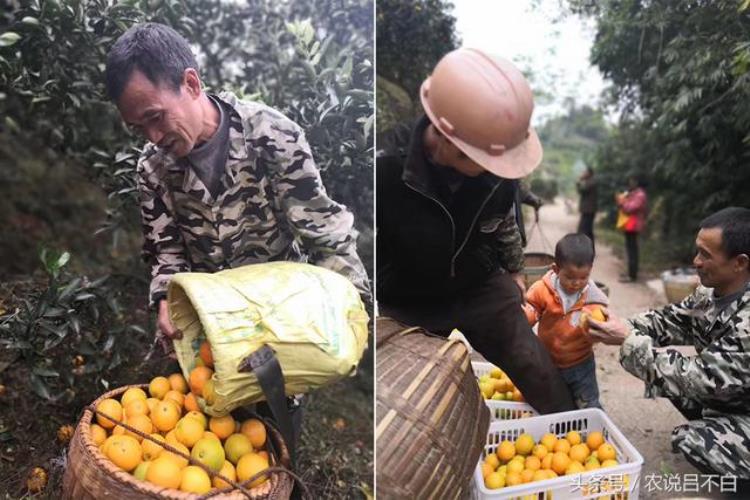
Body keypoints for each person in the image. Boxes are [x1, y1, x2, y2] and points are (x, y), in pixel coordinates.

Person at [104, 23, 371, 346]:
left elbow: (325, 235)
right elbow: (168, 251)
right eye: (138, 128)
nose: (153, 137)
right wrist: (165, 299)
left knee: (279, 395)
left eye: (156, 117)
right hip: (212, 327)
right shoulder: (152, 168)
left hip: (282, 323)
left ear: (190, 83)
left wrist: (352, 314)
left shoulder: (272, 137)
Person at [376, 48, 576, 414]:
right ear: (448, 140)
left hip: (477, 283)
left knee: (534, 365)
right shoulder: (384, 168)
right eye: (485, 163)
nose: (496, 171)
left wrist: (514, 269)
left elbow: (501, 224)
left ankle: (573, 429)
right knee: (407, 401)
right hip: (407, 296)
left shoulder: (497, 168)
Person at [588, 207, 750, 485]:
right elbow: (670, 320)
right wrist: (619, 324)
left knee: (692, 438)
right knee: (666, 375)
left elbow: (703, 378)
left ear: (740, 263)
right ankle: (720, 420)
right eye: (698, 251)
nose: (696, 261)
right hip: (734, 395)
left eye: (706, 255)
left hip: (733, 396)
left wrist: (628, 340)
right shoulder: (710, 294)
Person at [523, 233, 608, 409]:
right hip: (548, 362)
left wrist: (596, 328)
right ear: (555, 269)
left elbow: (600, 326)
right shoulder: (542, 289)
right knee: (553, 403)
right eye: (569, 277)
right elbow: (531, 305)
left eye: (583, 278)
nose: (576, 283)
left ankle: (593, 432)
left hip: (581, 364)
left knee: (588, 404)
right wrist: (527, 316)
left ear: (590, 269)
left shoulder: (593, 299)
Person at [616, 174, 648, 282]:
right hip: (630, 225)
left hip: (634, 225)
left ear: (636, 182)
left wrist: (622, 203)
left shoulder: (640, 195)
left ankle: (632, 275)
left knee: (632, 250)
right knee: (630, 249)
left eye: (632, 181)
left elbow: (630, 208)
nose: (630, 183)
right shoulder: (634, 193)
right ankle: (630, 273)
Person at [576, 166, 597, 247]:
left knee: (582, 230)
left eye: (585, 172)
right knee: (588, 231)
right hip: (588, 210)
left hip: (589, 210)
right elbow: (581, 191)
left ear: (589, 173)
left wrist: (579, 181)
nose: (583, 173)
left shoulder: (591, 182)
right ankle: (590, 249)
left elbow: (582, 190)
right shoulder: (589, 181)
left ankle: (584, 249)